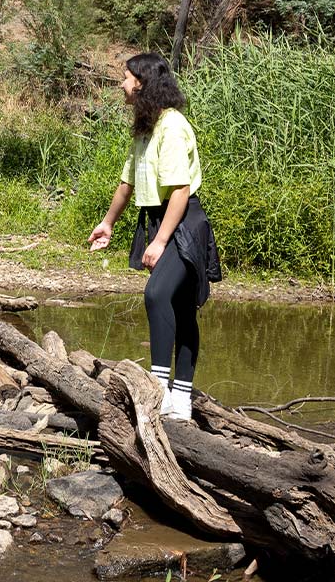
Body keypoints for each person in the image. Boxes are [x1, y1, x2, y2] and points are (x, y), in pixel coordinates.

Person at [87, 54, 220, 421]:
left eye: (126, 78)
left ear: (143, 83)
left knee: (157, 294)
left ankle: (165, 392)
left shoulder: (173, 127)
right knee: (177, 306)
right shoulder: (146, 126)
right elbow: (127, 183)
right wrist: (108, 223)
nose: (122, 85)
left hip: (183, 223)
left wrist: (160, 241)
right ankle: (180, 399)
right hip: (161, 219)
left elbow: (179, 190)